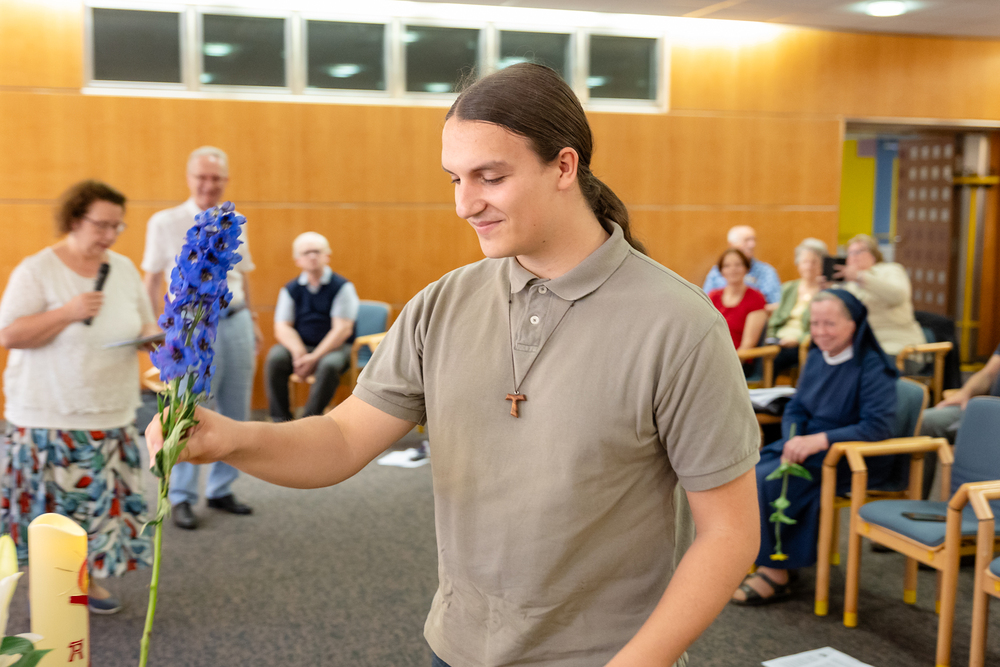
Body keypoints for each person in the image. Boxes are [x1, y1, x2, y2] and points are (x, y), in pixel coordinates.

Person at [146, 63, 760, 667]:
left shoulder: (679, 324)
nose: (466, 204)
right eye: (455, 179)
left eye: (490, 177)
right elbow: (341, 440)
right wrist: (231, 438)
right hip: (456, 647)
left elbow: (729, 534)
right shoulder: (441, 304)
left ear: (564, 167)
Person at [0, 180, 158, 614]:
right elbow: (9, 334)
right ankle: (49, 588)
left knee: (97, 510)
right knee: (52, 514)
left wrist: (153, 338)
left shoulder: (123, 268)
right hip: (48, 416)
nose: (109, 234)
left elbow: (144, 322)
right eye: (100, 225)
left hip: (111, 414)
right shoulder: (38, 269)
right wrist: (67, 312)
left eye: (117, 226)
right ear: (74, 219)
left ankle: (85, 584)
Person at [732, 289, 897, 605]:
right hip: (808, 446)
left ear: (853, 324)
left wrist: (818, 440)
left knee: (771, 480)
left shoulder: (874, 367)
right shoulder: (819, 356)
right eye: (815, 323)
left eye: (829, 324)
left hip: (852, 456)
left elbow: (876, 427)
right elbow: (797, 406)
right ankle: (762, 554)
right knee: (746, 471)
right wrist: (793, 436)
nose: (820, 332)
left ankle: (776, 573)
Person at [141, 146, 260, 530]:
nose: (209, 185)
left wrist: (254, 321)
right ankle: (181, 495)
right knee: (187, 406)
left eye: (217, 179)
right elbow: (153, 279)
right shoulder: (164, 222)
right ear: (189, 177)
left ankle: (222, 487)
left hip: (235, 319)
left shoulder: (233, 220)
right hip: (190, 326)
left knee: (236, 406)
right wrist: (157, 329)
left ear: (226, 181)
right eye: (202, 177)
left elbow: (243, 274)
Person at [266, 232, 359, 421]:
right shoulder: (290, 289)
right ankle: (281, 420)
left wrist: (314, 358)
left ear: (327, 256)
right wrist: (299, 353)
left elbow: (342, 329)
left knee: (329, 365)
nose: (312, 256)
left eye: (317, 251)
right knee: (275, 358)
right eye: (306, 253)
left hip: (336, 348)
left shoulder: (342, 287)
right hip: (303, 346)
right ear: (297, 260)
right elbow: (282, 327)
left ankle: (309, 421)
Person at [836, 233, 925, 358]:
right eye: (850, 253)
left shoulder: (890, 270)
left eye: (858, 252)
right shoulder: (850, 285)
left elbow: (898, 296)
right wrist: (825, 289)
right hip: (864, 345)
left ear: (873, 254)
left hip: (898, 346)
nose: (853, 257)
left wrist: (860, 277)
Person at [765, 238, 828, 374]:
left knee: (777, 359)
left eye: (814, 262)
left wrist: (797, 340)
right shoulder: (788, 288)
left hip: (805, 343)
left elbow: (822, 325)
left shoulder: (825, 292)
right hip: (779, 341)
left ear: (822, 265)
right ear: (798, 263)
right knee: (763, 356)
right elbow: (774, 320)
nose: (809, 266)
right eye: (805, 262)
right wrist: (772, 338)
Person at [920, 345, 1000, 443]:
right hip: (986, 411)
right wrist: (965, 392)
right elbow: (988, 374)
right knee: (926, 420)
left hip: (992, 418)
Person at [702, 225, 781, 307]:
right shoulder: (716, 272)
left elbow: (777, 304)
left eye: (753, 240)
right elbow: (704, 303)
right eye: (747, 240)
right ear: (731, 244)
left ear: (746, 269)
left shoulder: (766, 272)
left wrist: (759, 310)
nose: (752, 245)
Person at [708, 248, 767, 352]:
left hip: (738, 357)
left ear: (746, 268)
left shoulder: (756, 298)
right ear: (721, 271)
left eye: (738, 265)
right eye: (727, 266)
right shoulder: (713, 296)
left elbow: (747, 345)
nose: (733, 269)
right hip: (712, 353)